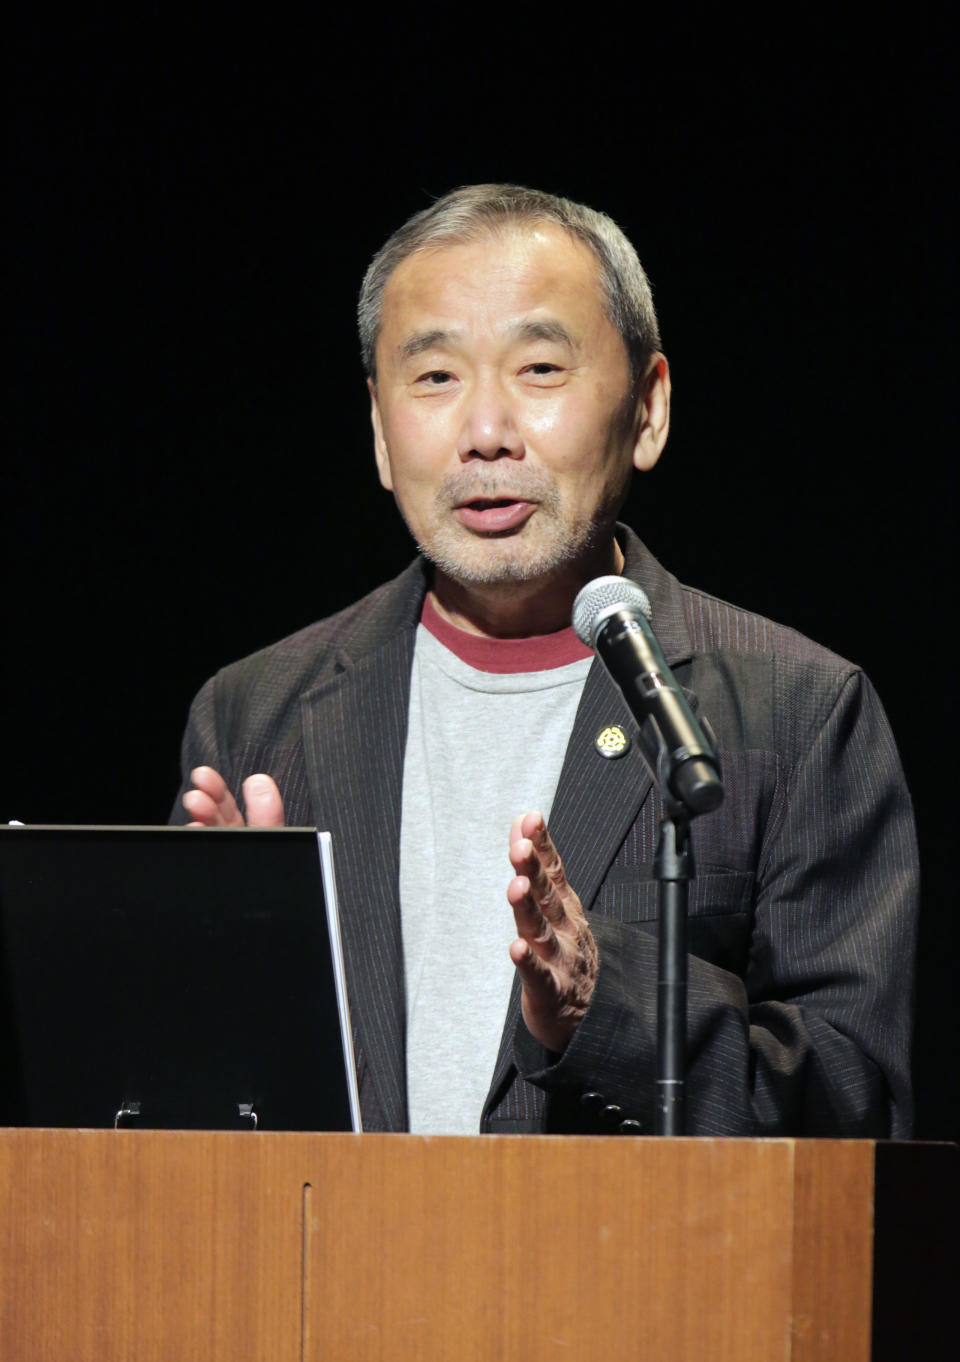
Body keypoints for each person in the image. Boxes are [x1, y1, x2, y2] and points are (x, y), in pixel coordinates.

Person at [172, 184, 918, 1138]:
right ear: (377, 429)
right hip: (333, 1282)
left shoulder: (796, 713)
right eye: (434, 378)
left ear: (647, 409)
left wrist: (604, 1009)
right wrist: (228, 980)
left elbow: (856, 1112)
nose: (485, 432)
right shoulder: (258, 716)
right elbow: (189, 1116)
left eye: (537, 368)